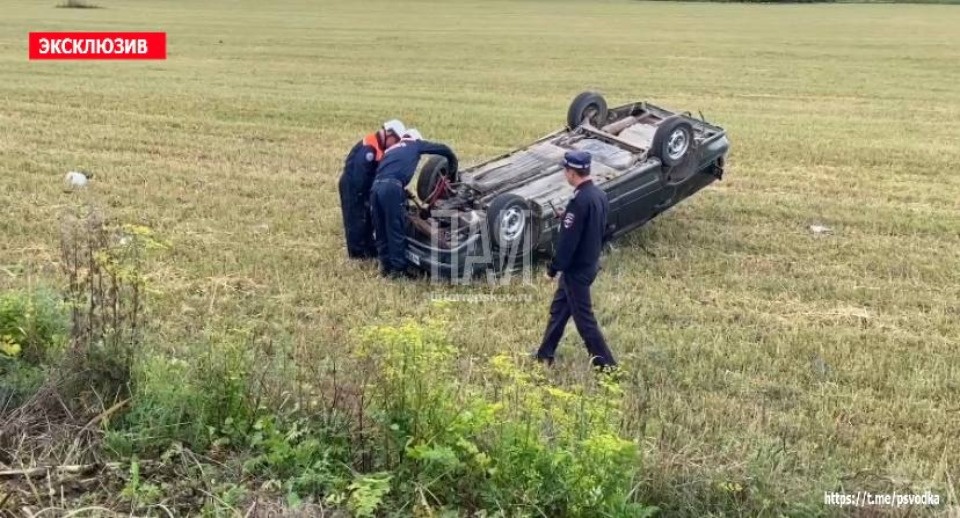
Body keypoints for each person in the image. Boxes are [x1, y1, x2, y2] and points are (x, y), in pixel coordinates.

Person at [533, 150, 617, 369]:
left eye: (565, 171)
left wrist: (552, 270)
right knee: (559, 310)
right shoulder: (598, 195)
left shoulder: (579, 202)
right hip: (590, 264)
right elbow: (597, 227)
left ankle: (607, 368)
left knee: (585, 322)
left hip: (576, 271)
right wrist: (567, 217)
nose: (565, 175)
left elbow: (567, 244)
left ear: (572, 172)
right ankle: (545, 354)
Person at [370, 129, 458, 278]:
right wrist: (452, 164)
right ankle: (399, 271)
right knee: (395, 228)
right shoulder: (414, 144)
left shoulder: (391, 149)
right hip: (391, 187)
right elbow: (442, 149)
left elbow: (387, 172)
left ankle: (385, 267)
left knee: (381, 228)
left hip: (375, 188)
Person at [338, 119, 406, 259]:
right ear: (389, 135)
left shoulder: (378, 146)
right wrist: (364, 195)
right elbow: (359, 176)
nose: (395, 145)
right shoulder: (368, 150)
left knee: (367, 220)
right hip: (353, 187)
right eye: (396, 141)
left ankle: (369, 248)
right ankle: (357, 254)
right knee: (356, 218)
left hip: (363, 187)